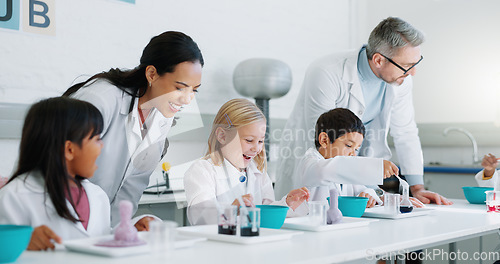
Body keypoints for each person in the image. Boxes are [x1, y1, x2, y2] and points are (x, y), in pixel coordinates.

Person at [275, 17, 451, 205]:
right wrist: (373, 169)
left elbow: (405, 131)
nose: (413, 73)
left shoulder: (400, 79)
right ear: (378, 60)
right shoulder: (326, 72)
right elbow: (325, 142)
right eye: (407, 66)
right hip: (314, 176)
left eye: (416, 63)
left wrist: (417, 189)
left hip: (351, 175)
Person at [63, 31, 204, 225]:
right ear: (152, 74)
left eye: (194, 90)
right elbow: (55, 169)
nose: (188, 99)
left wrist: (125, 229)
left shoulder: (161, 118)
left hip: (99, 232)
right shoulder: (100, 100)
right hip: (59, 222)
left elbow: (131, 188)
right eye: (180, 87)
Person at [0, 98, 112, 250]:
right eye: (97, 139)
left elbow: (101, 241)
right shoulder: (14, 196)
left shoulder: (98, 196)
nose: (102, 146)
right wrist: (20, 242)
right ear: (69, 150)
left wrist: (130, 230)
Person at [184, 99, 310, 225]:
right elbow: (200, 216)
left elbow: (265, 212)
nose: (256, 149)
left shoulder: (258, 172)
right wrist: (232, 210)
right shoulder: (202, 171)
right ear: (222, 136)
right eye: (249, 140)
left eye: (260, 141)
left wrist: (286, 205)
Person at [296, 108, 424, 208]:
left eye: (356, 149)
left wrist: (384, 198)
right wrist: (377, 166)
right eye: (348, 145)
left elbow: (364, 189)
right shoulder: (311, 163)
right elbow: (325, 172)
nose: (353, 154)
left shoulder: (347, 170)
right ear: (324, 140)